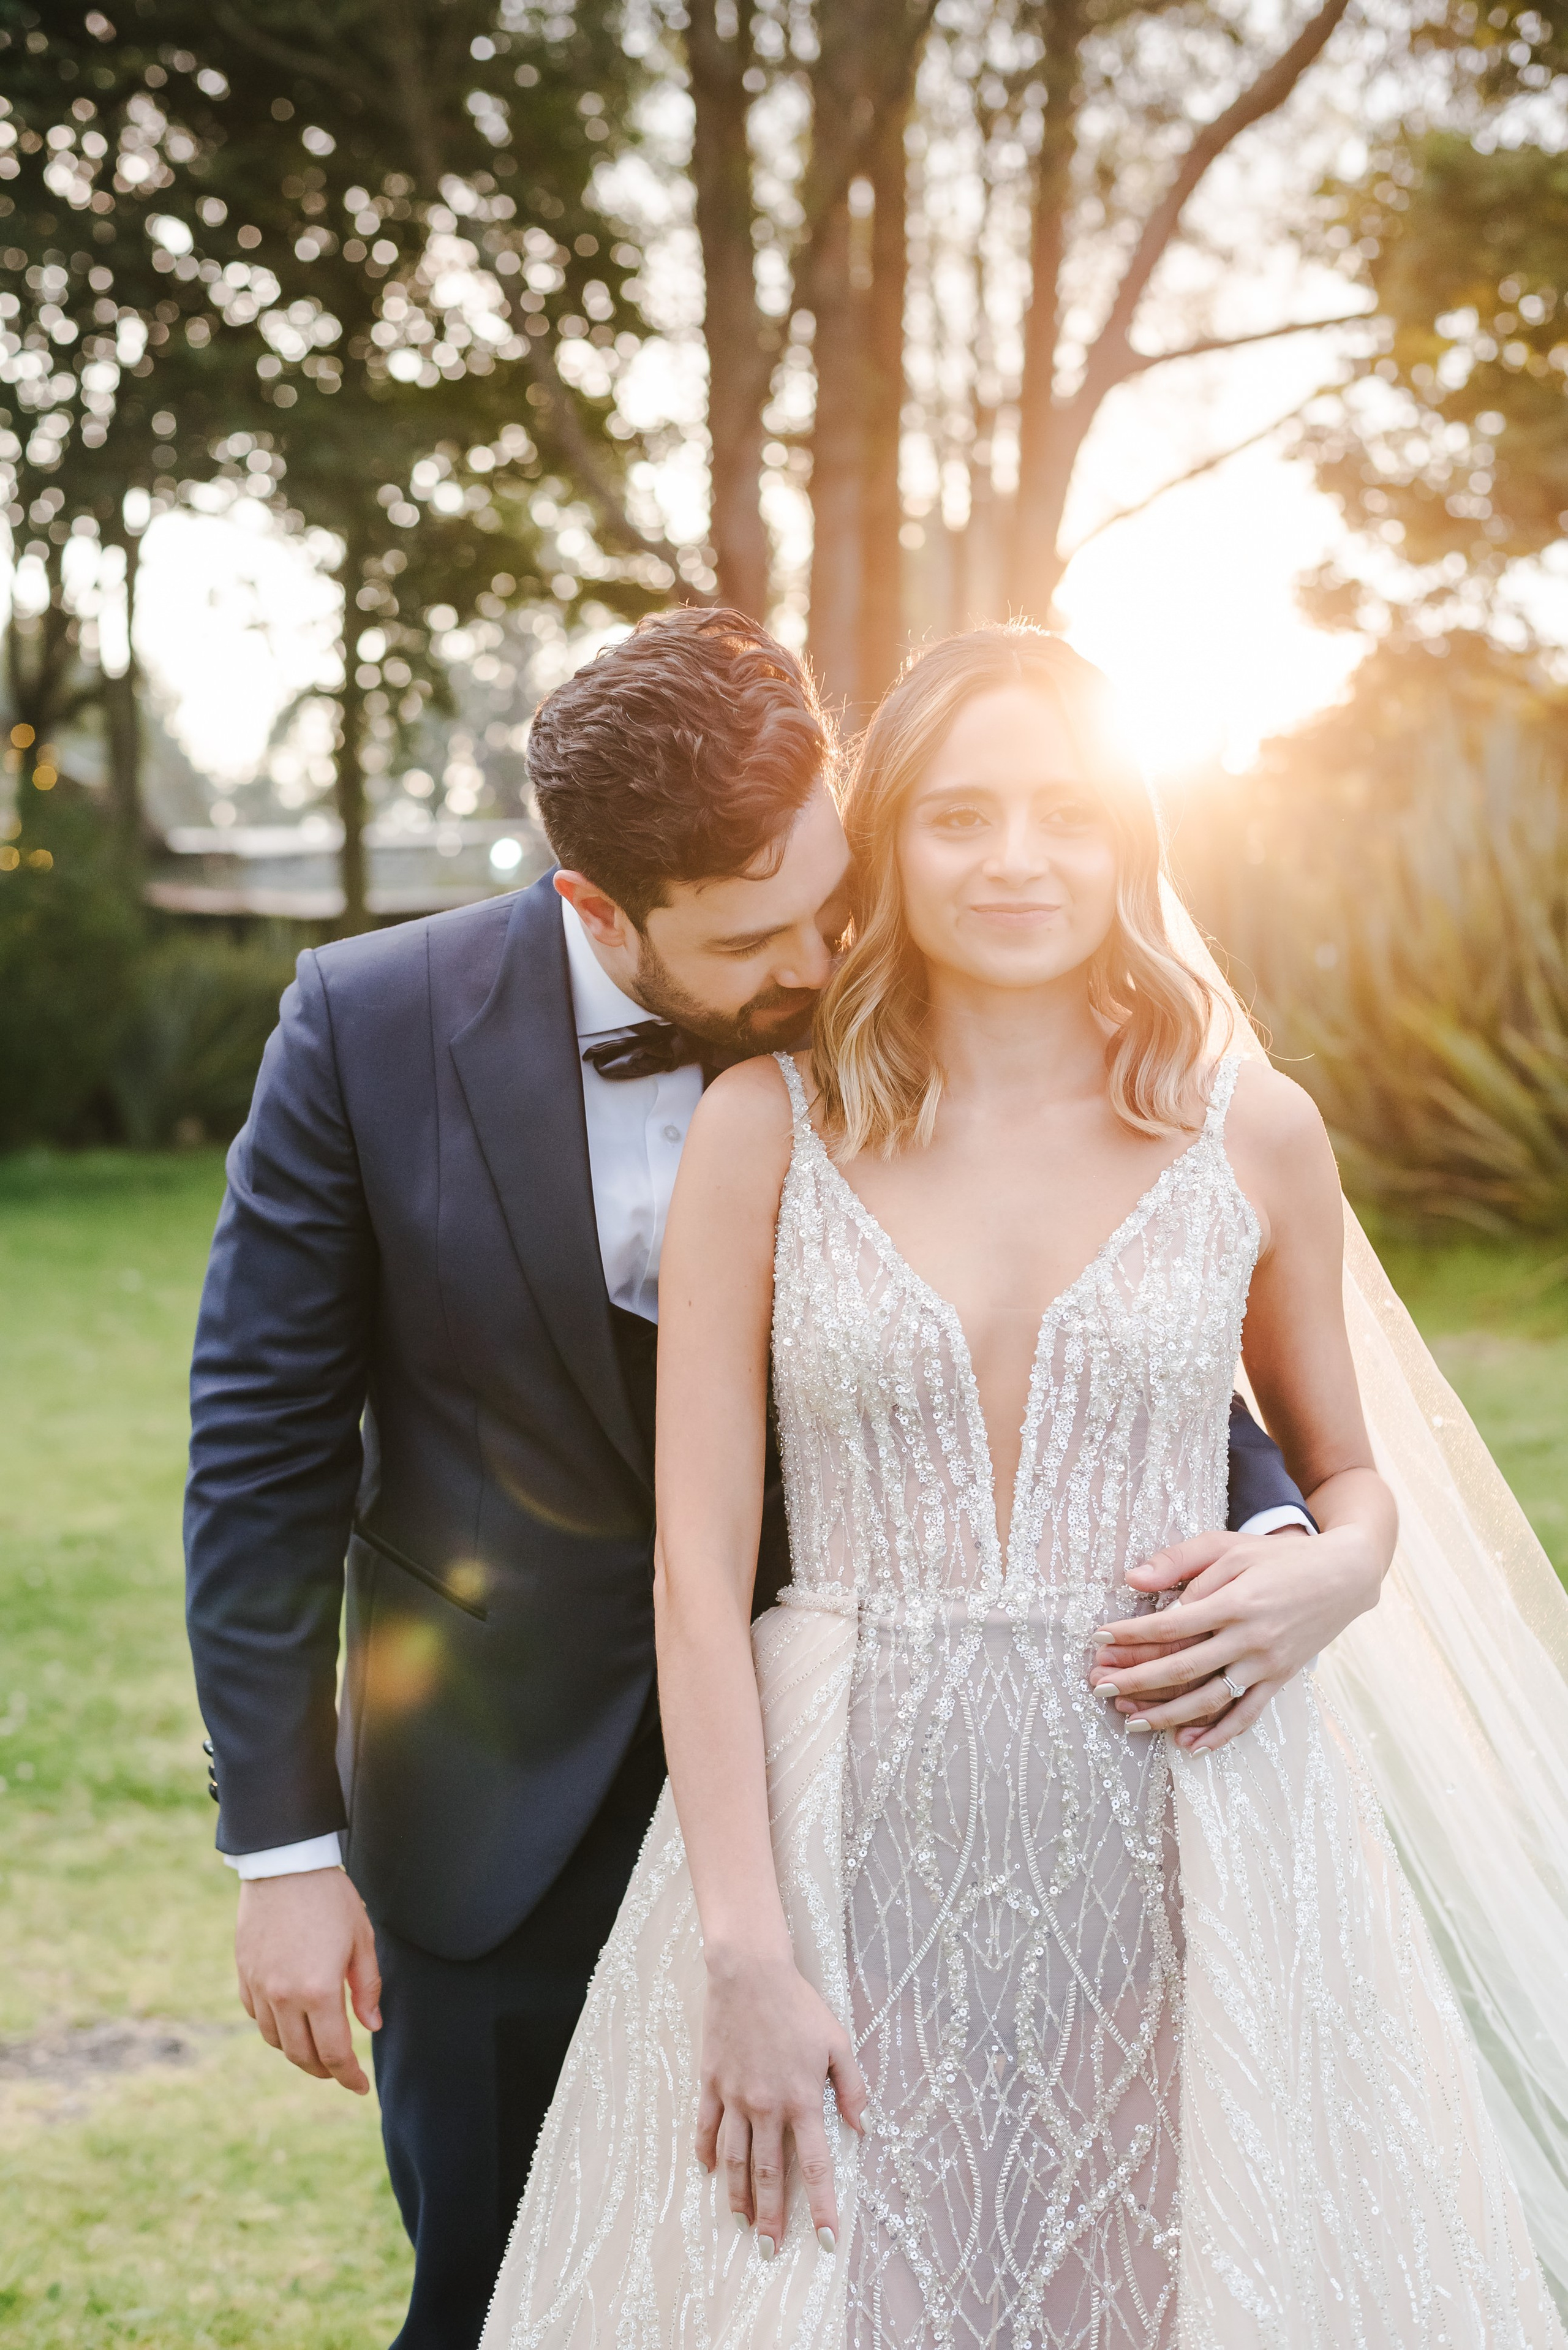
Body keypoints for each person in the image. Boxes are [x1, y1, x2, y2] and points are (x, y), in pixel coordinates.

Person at [184, 610, 1313, 2350]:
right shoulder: (363, 1025)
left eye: (829, 890)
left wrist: (1280, 1524)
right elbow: (261, 1450)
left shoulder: (888, 988)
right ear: (600, 911)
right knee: (513, 2292)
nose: (822, 952)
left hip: (872, 1790)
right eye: (757, 937)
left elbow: (1083, 1300)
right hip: (498, 1814)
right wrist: (281, 1845)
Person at [482, 625, 1566, 2349]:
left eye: (1068, 811)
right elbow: (698, 1577)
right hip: (848, 1840)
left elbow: (1352, 1476)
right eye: (962, 816)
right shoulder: (766, 1126)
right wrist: (746, 1949)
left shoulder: (1251, 1131)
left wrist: (1339, 1572)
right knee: (844, 2294)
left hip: (1191, 1832)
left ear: (1133, 835)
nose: (1018, 859)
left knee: (1153, 2297)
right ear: (887, 842)